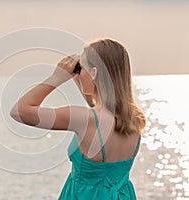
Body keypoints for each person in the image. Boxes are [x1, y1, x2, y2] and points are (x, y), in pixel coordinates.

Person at [10, 38, 146, 199]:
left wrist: (56, 77)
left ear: (94, 73)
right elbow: (100, 109)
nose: (78, 73)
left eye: (81, 68)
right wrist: (81, 81)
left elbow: (20, 111)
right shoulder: (135, 119)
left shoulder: (84, 120)